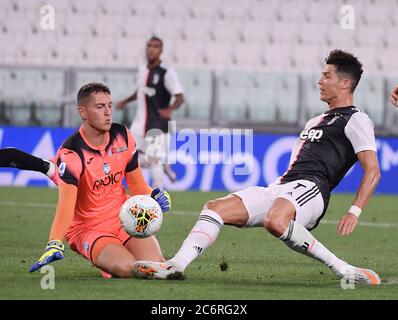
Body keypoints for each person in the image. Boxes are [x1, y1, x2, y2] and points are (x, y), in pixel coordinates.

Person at [133, 50, 382, 285]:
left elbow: (372, 169)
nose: (320, 81)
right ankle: (176, 265)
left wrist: (355, 211)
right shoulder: (316, 120)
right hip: (281, 187)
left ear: (345, 84)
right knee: (214, 208)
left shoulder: (356, 119)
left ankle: (343, 268)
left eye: (327, 76)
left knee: (276, 220)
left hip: (312, 189)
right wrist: (280, 190)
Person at [28, 82, 177, 279]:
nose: (108, 113)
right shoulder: (72, 153)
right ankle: (108, 263)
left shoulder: (123, 137)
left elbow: (137, 185)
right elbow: (66, 205)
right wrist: (54, 242)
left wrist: (153, 195)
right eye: (100, 107)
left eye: (110, 105)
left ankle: (110, 261)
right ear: (83, 112)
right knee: (129, 268)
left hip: (125, 219)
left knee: (157, 265)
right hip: (88, 229)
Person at [116, 36, 184, 189]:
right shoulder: (142, 69)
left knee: (154, 161)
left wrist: (170, 110)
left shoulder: (167, 73)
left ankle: (157, 196)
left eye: (156, 46)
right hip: (139, 124)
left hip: (158, 125)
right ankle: (163, 165)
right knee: (128, 158)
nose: (151, 49)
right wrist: (125, 101)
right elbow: (140, 91)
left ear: (161, 50)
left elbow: (180, 97)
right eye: (149, 45)